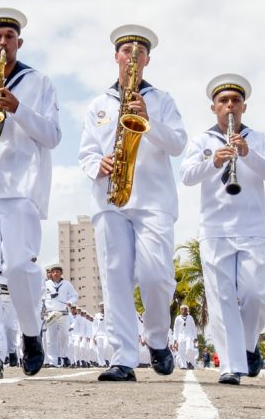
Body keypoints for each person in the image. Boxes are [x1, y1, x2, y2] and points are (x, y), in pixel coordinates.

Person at [79, 24, 186, 382]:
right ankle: (123, 357)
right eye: (126, 51)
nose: (132, 57)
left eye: (139, 52)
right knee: (115, 279)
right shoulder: (97, 105)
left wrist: (148, 120)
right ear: (116, 57)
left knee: (157, 277)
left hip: (153, 200)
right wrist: (99, 164)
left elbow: (178, 144)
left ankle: (157, 339)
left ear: (148, 60)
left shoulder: (162, 99)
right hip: (110, 199)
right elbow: (86, 152)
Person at [0, 8, 60, 380]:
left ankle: (31, 332)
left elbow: (52, 135)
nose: (3, 43)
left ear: (19, 41)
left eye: (9, 37)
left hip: (22, 185)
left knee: (19, 265)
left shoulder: (39, 82)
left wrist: (18, 109)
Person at [180, 74, 265, 385]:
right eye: (223, 101)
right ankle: (230, 364)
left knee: (256, 295)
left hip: (252, 228)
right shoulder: (202, 141)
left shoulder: (259, 139)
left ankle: (248, 348)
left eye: (235, 101)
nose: (229, 106)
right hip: (214, 229)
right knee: (222, 297)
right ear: (214, 108)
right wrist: (213, 161)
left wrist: (248, 154)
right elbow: (186, 176)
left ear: (244, 107)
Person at [43, 263, 79, 367]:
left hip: (64, 314)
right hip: (51, 314)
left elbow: (74, 295)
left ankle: (63, 356)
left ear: (61, 273)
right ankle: (52, 361)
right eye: (53, 272)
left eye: (57, 272)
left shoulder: (67, 284)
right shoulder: (46, 284)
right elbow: (41, 296)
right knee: (50, 339)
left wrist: (70, 302)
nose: (55, 274)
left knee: (65, 336)